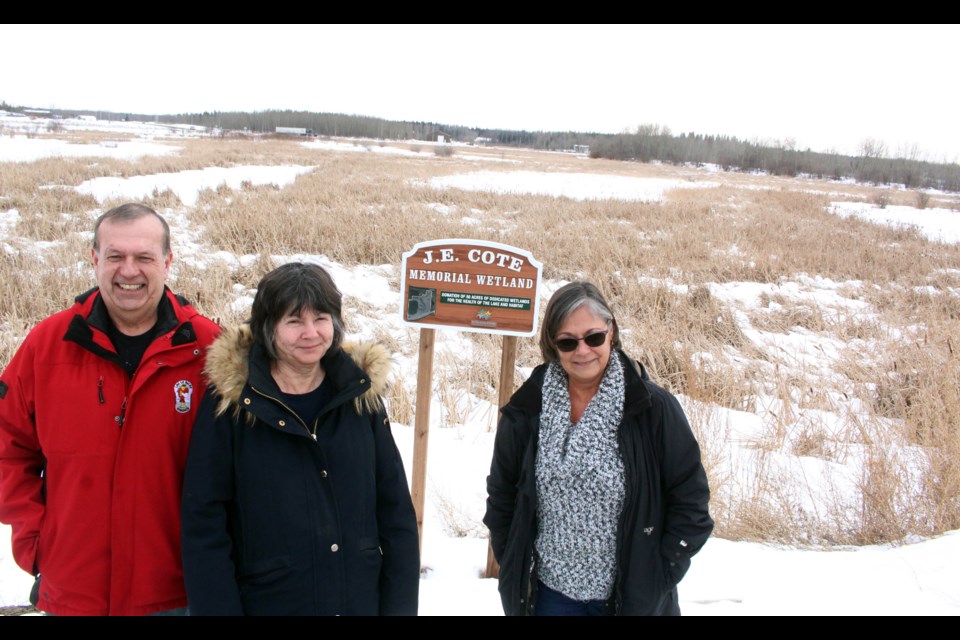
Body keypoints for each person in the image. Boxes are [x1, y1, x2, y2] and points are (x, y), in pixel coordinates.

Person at [0, 203, 221, 615]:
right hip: (73, 592)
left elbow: (246, 467)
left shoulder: (208, 351)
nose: (129, 271)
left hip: (176, 594)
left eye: (144, 258)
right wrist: (35, 543)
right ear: (95, 259)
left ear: (168, 262)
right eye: (116, 256)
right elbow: (7, 447)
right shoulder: (48, 345)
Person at [181, 261, 420, 616]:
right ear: (267, 329)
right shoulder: (232, 407)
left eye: (321, 318)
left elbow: (396, 516)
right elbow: (204, 527)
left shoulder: (360, 398)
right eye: (294, 321)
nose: (311, 333)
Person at [483, 281, 713, 616]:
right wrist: (515, 562)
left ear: (611, 332)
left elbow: (691, 501)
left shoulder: (651, 408)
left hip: (629, 602)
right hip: (548, 599)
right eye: (567, 342)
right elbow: (501, 496)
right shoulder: (527, 410)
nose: (583, 351)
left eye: (594, 337)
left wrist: (656, 576)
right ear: (552, 345)